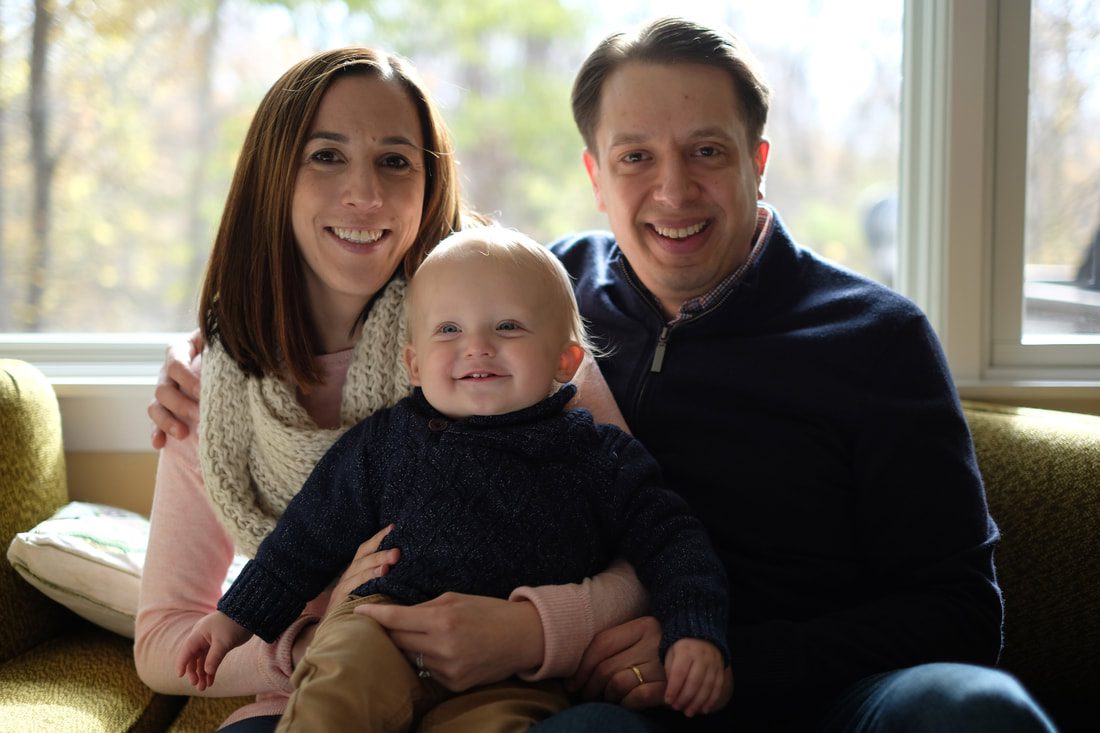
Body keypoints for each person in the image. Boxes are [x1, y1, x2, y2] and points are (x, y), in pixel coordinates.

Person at [149, 18, 1059, 733]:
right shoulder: (535, 295)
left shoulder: (875, 337)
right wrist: (202, 361)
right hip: (606, 707)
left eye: (708, 150)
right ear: (594, 173)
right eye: (635, 157)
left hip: (823, 696)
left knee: (974, 709)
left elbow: (960, 611)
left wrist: (715, 650)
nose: (673, 190)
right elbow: (390, 294)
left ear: (758, 161)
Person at [135, 47, 651, 733]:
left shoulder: (506, 329)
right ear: (273, 177)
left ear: (430, 184)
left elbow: (645, 547)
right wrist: (315, 644)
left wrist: (528, 629)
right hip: (323, 696)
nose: (366, 194)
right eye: (326, 156)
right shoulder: (212, 389)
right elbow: (164, 639)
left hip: (508, 686)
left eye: (395, 161)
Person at [177, 227, 730, 732]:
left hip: (510, 676)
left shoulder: (598, 456)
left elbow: (674, 542)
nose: (477, 346)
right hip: (381, 630)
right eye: (449, 329)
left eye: (507, 326)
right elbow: (306, 535)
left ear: (566, 361)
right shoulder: (386, 443)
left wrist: (694, 629)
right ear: (415, 366)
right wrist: (235, 619)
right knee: (337, 691)